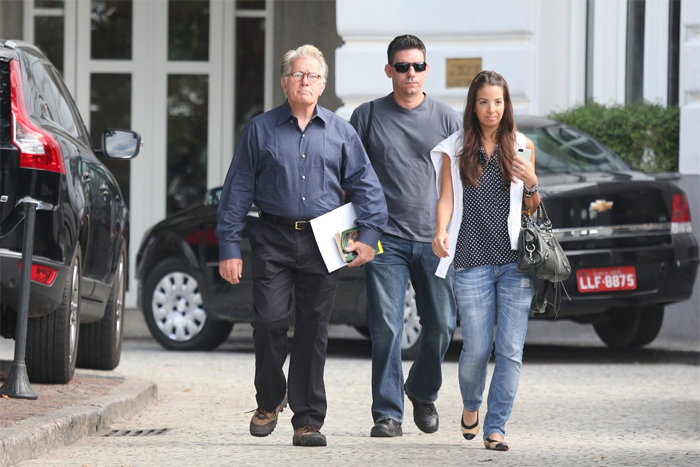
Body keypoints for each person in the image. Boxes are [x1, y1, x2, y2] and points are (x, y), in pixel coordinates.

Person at [216, 44, 388, 448]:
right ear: (284, 82)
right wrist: (229, 246)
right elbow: (237, 189)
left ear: (323, 84)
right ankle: (270, 400)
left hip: (325, 240)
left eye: (312, 75)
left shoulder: (342, 132)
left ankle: (308, 419)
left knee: (313, 329)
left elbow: (366, 185)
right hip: (272, 237)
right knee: (270, 322)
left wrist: (369, 237)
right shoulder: (260, 130)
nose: (305, 81)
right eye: (298, 74)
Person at [349, 34, 461, 438]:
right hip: (384, 240)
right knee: (387, 327)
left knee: (444, 323)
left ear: (426, 70)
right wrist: (354, 233)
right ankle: (387, 413)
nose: (410, 73)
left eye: (417, 66)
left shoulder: (448, 119)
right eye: (402, 66)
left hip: (436, 238)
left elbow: (464, 182)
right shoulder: (367, 116)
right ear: (389, 70)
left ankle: (422, 390)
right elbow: (347, 178)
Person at [431, 70, 540, 452]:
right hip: (472, 259)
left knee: (510, 349)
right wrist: (440, 229)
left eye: (498, 101)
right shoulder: (457, 147)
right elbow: (445, 197)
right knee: (476, 348)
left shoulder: (522, 145)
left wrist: (532, 183)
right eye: (483, 101)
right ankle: (471, 403)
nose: (491, 109)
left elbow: (532, 209)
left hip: (515, 264)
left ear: (506, 105)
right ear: (473, 106)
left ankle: (497, 427)